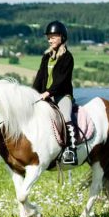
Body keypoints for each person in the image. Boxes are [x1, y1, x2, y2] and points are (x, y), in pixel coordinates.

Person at [32, 20, 77, 165]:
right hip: (46, 96)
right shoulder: (46, 57)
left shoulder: (67, 58)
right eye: (48, 37)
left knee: (65, 117)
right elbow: (40, 77)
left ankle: (71, 150)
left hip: (62, 95)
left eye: (53, 36)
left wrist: (48, 93)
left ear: (62, 37)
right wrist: (33, 93)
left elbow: (61, 80)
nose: (49, 39)